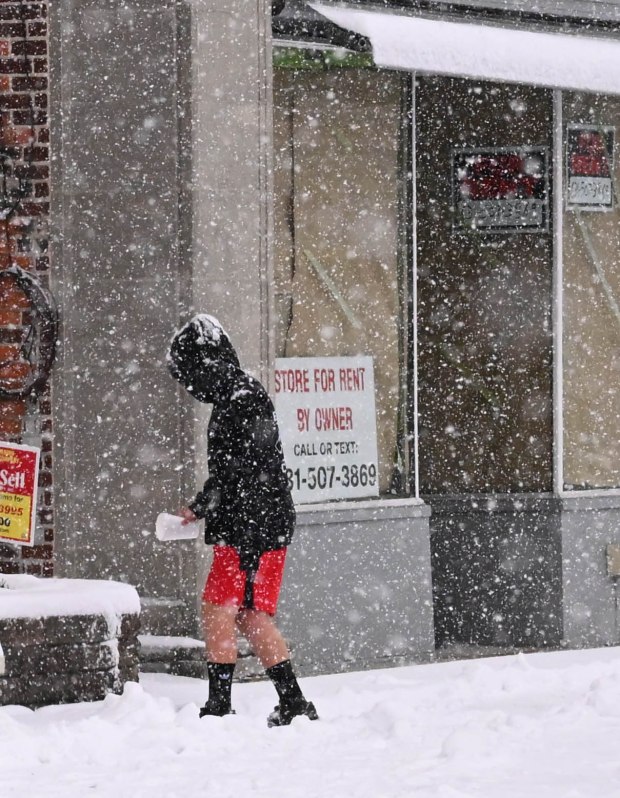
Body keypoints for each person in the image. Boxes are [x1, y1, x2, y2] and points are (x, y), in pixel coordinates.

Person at [167, 313, 318, 727]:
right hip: (259, 521)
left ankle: (220, 706)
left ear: (205, 365)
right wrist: (203, 505)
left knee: (221, 609)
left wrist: (209, 503)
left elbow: (246, 467)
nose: (190, 386)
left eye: (189, 375)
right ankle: (291, 702)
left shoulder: (242, 397)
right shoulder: (237, 394)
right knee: (250, 615)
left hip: (251, 525)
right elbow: (241, 468)